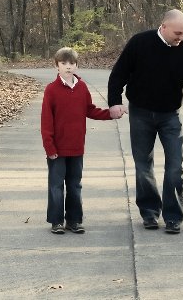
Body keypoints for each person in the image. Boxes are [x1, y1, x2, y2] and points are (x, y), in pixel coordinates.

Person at [108, 9, 183, 234]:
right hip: (140, 114)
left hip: (170, 116)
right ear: (163, 27)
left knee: (175, 167)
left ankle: (173, 217)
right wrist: (115, 102)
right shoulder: (139, 43)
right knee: (143, 165)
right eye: (178, 33)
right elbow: (118, 74)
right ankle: (149, 213)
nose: (182, 37)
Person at [41, 47, 125, 234]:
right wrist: (49, 145)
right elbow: (46, 121)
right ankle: (56, 221)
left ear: (77, 65)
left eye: (72, 63)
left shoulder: (82, 88)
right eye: (63, 63)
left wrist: (110, 114)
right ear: (57, 66)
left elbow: (90, 110)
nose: (68, 67)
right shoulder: (51, 90)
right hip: (57, 149)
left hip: (76, 147)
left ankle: (74, 220)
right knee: (56, 186)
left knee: (74, 185)